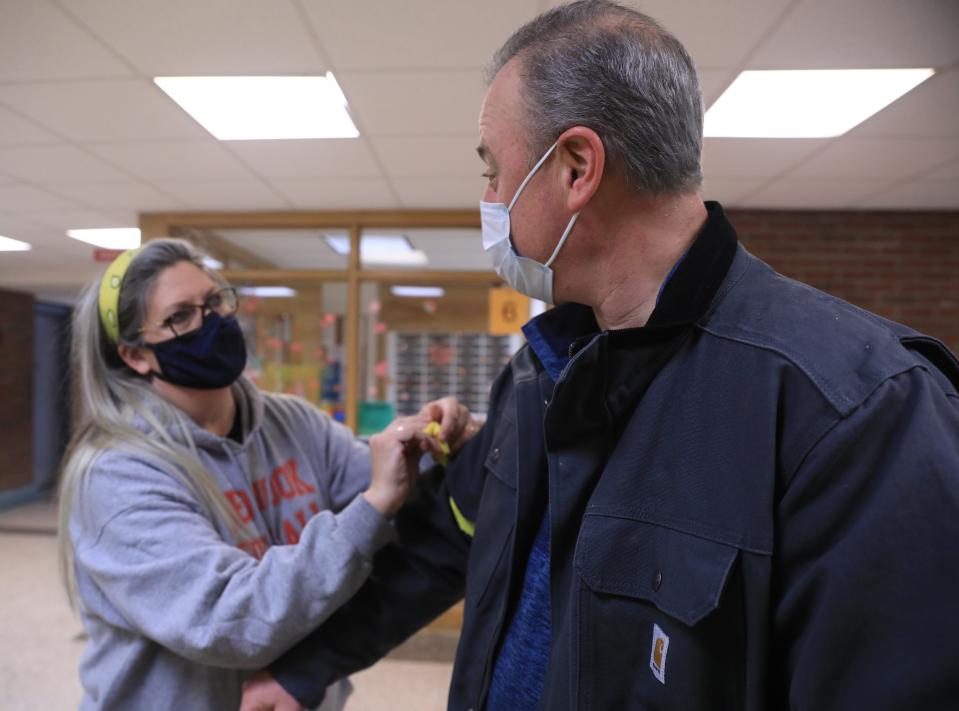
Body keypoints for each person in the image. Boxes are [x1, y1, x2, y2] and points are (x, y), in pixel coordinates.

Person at [242, 2, 959, 709]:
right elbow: (446, 542)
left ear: (576, 166)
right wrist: (305, 669)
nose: (487, 197)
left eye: (493, 171)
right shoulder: (539, 372)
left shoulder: (859, 412)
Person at [57, 238, 476, 710]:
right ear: (136, 355)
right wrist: (375, 503)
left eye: (214, 301)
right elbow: (233, 620)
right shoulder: (117, 475)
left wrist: (437, 443)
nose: (210, 322)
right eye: (180, 317)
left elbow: (395, 494)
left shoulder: (292, 422)